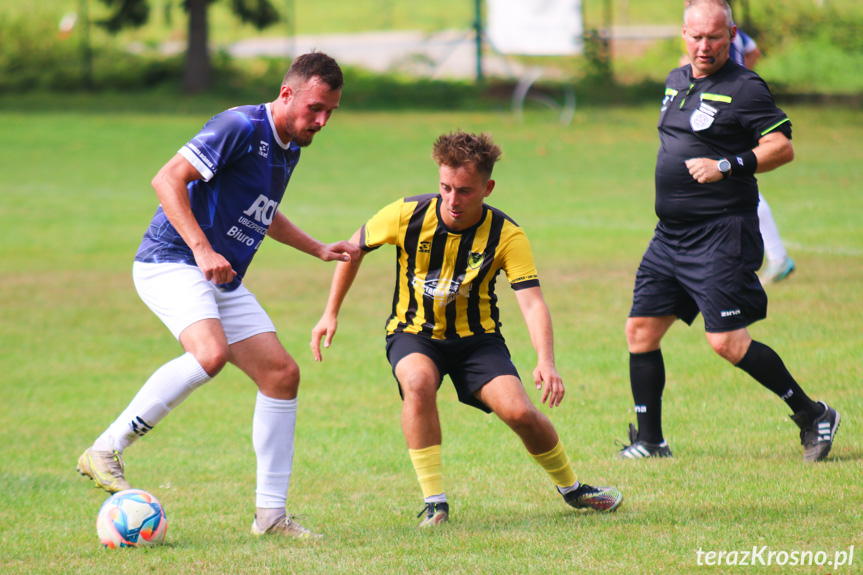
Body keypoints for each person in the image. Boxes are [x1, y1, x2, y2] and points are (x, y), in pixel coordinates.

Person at [76, 52, 361, 539]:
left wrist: (316, 247)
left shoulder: (289, 146)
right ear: (287, 93)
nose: (322, 120)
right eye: (316, 107)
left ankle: (270, 517)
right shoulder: (240, 126)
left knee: (281, 375)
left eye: (330, 111)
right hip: (171, 261)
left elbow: (261, 211)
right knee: (208, 355)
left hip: (216, 276)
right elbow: (167, 179)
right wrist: (203, 249)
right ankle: (105, 447)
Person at [311, 131, 623, 527]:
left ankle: (573, 489)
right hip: (414, 333)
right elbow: (350, 251)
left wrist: (546, 360)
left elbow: (531, 300)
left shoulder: (507, 234)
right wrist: (330, 312)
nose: (453, 200)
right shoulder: (405, 214)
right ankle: (435, 503)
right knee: (419, 383)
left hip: (477, 342)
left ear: (487, 187)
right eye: (445, 188)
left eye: (465, 190)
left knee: (521, 413)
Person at [617, 0, 839, 462]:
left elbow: (781, 148)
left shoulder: (745, 87)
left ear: (731, 34)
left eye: (714, 37)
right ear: (683, 34)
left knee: (726, 342)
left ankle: (812, 414)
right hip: (669, 236)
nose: (704, 46)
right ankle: (650, 441)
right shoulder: (676, 81)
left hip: (721, 233)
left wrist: (726, 165)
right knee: (640, 331)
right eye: (696, 37)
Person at [679, 2, 795, 284]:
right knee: (733, 182)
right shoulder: (723, 31)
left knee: (736, 182)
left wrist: (737, 79)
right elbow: (753, 51)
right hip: (721, 109)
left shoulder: (717, 34)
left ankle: (776, 257)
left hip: (727, 113)